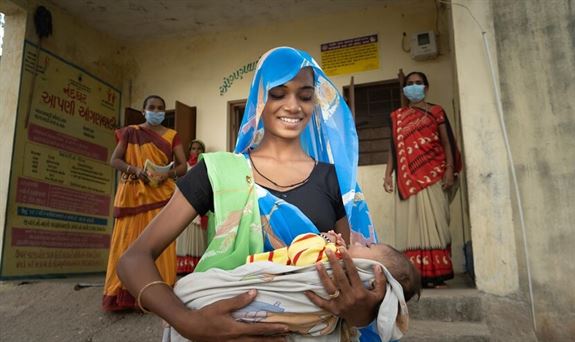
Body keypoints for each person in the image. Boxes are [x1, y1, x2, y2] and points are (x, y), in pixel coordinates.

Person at [117, 47, 388, 341]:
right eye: (278, 93)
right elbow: (133, 260)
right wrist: (188, 322)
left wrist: (360, 312)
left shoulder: (334, 180)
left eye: (306, 95)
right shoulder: (219, 172)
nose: (294, 106)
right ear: (259, 97)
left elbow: (358, 277)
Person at [166, 231, 420, 341]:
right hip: (223, 306)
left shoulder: (333, 263)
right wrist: (186, 321)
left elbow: (301, 251)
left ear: (368, 273)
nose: (361, 241)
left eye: (367, 247)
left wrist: (322, 242)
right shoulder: (224, 170)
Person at [102, 95, 187, 311]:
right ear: (143, 111)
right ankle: (120, 293)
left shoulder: (172, 135)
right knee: (126, 241)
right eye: (152, 107)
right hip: (132, 192)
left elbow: (183, 166)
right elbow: (115, 160)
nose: (156, 111)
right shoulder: (130, 132)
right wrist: (136, 170)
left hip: (160, 194)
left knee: (160, 244)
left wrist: (166, 175)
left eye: (160, 108)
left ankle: (159, 293)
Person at [383, 71, 462, 289]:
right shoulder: (397, 116)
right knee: (412, 228)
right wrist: (388, 174)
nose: (414, 87)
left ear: (426, 88)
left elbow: (446, 143)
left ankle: (439, 275)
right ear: (404, 89)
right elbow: (393, 148)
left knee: (437, 225)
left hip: (433, 174)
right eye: (409, 84)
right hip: (406, 179)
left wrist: (449, 169)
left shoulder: (436, 111)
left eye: (418, 83)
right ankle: (417, 275)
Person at [176, 139, 208, 274]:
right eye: (193, 148)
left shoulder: (205, 167)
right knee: (184, 235)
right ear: (189, 151)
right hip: (184, 207)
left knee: (198, 238)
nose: (196, 151)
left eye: (199, 149)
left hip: (200, 206)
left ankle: (196, 268)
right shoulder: (185, 167)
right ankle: (182, 266)